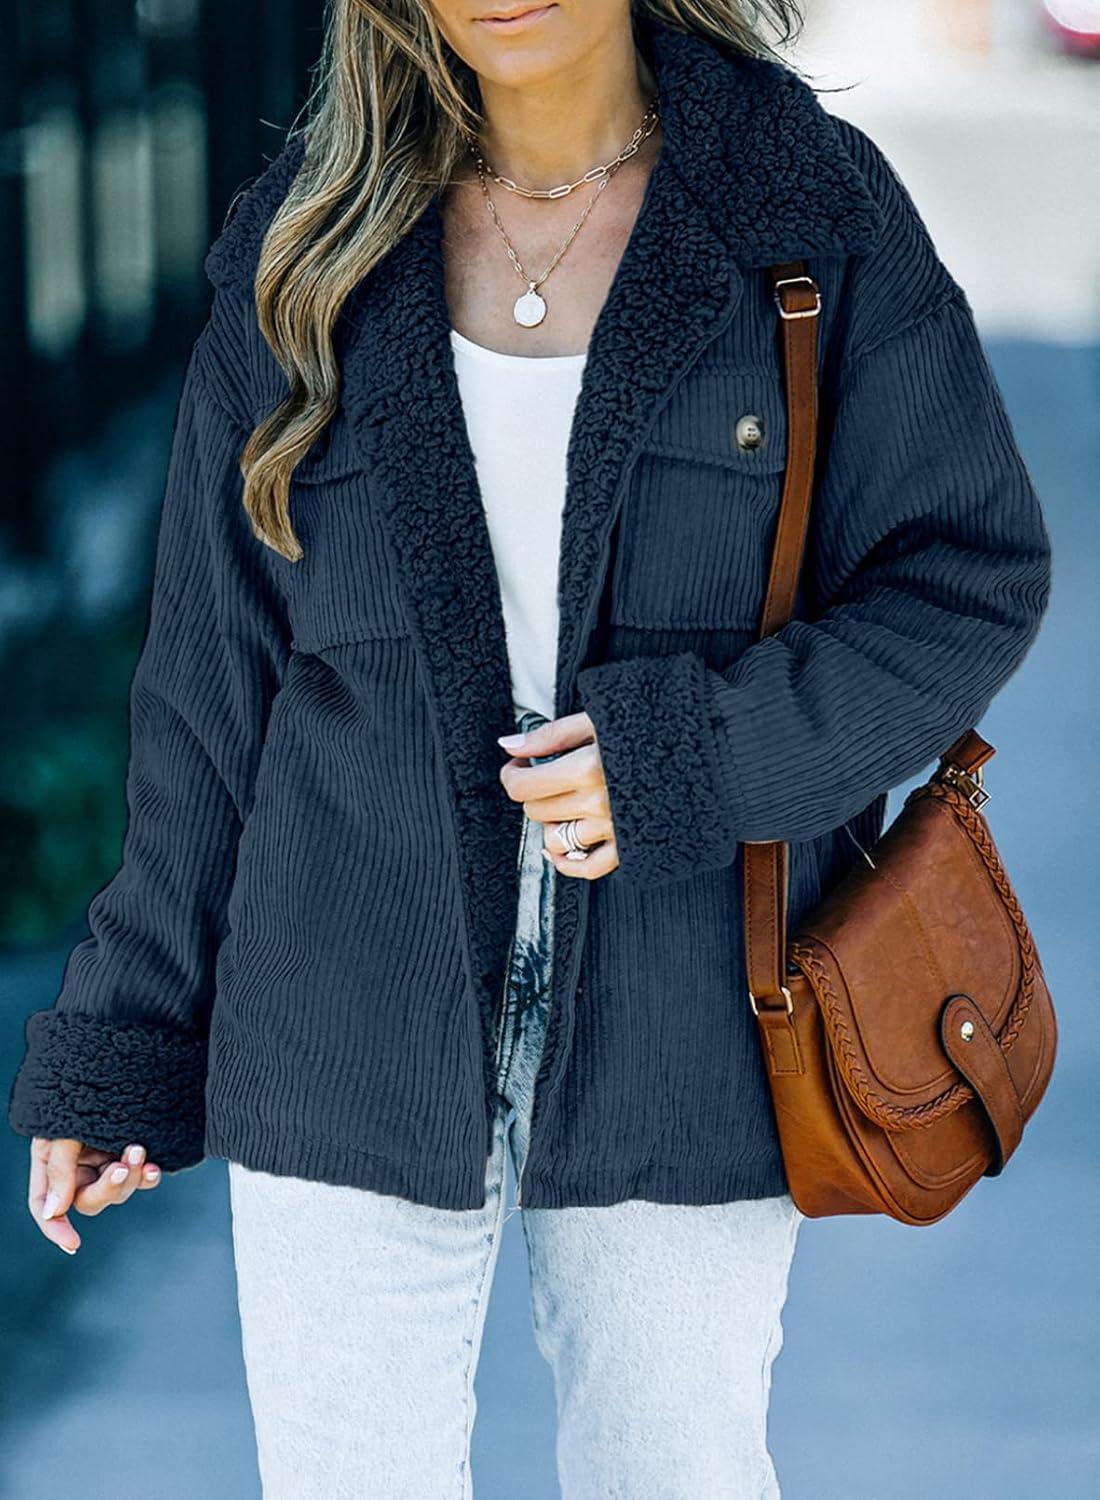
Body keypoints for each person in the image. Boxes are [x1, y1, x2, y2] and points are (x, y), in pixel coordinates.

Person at [8, 3, 1052, 1496]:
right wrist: (129, 1037)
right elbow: (206, 692)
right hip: (342, 1007)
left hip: (692, 1019)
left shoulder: (806, 209)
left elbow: (965, 574)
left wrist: (691, 758)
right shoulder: (307, 242)